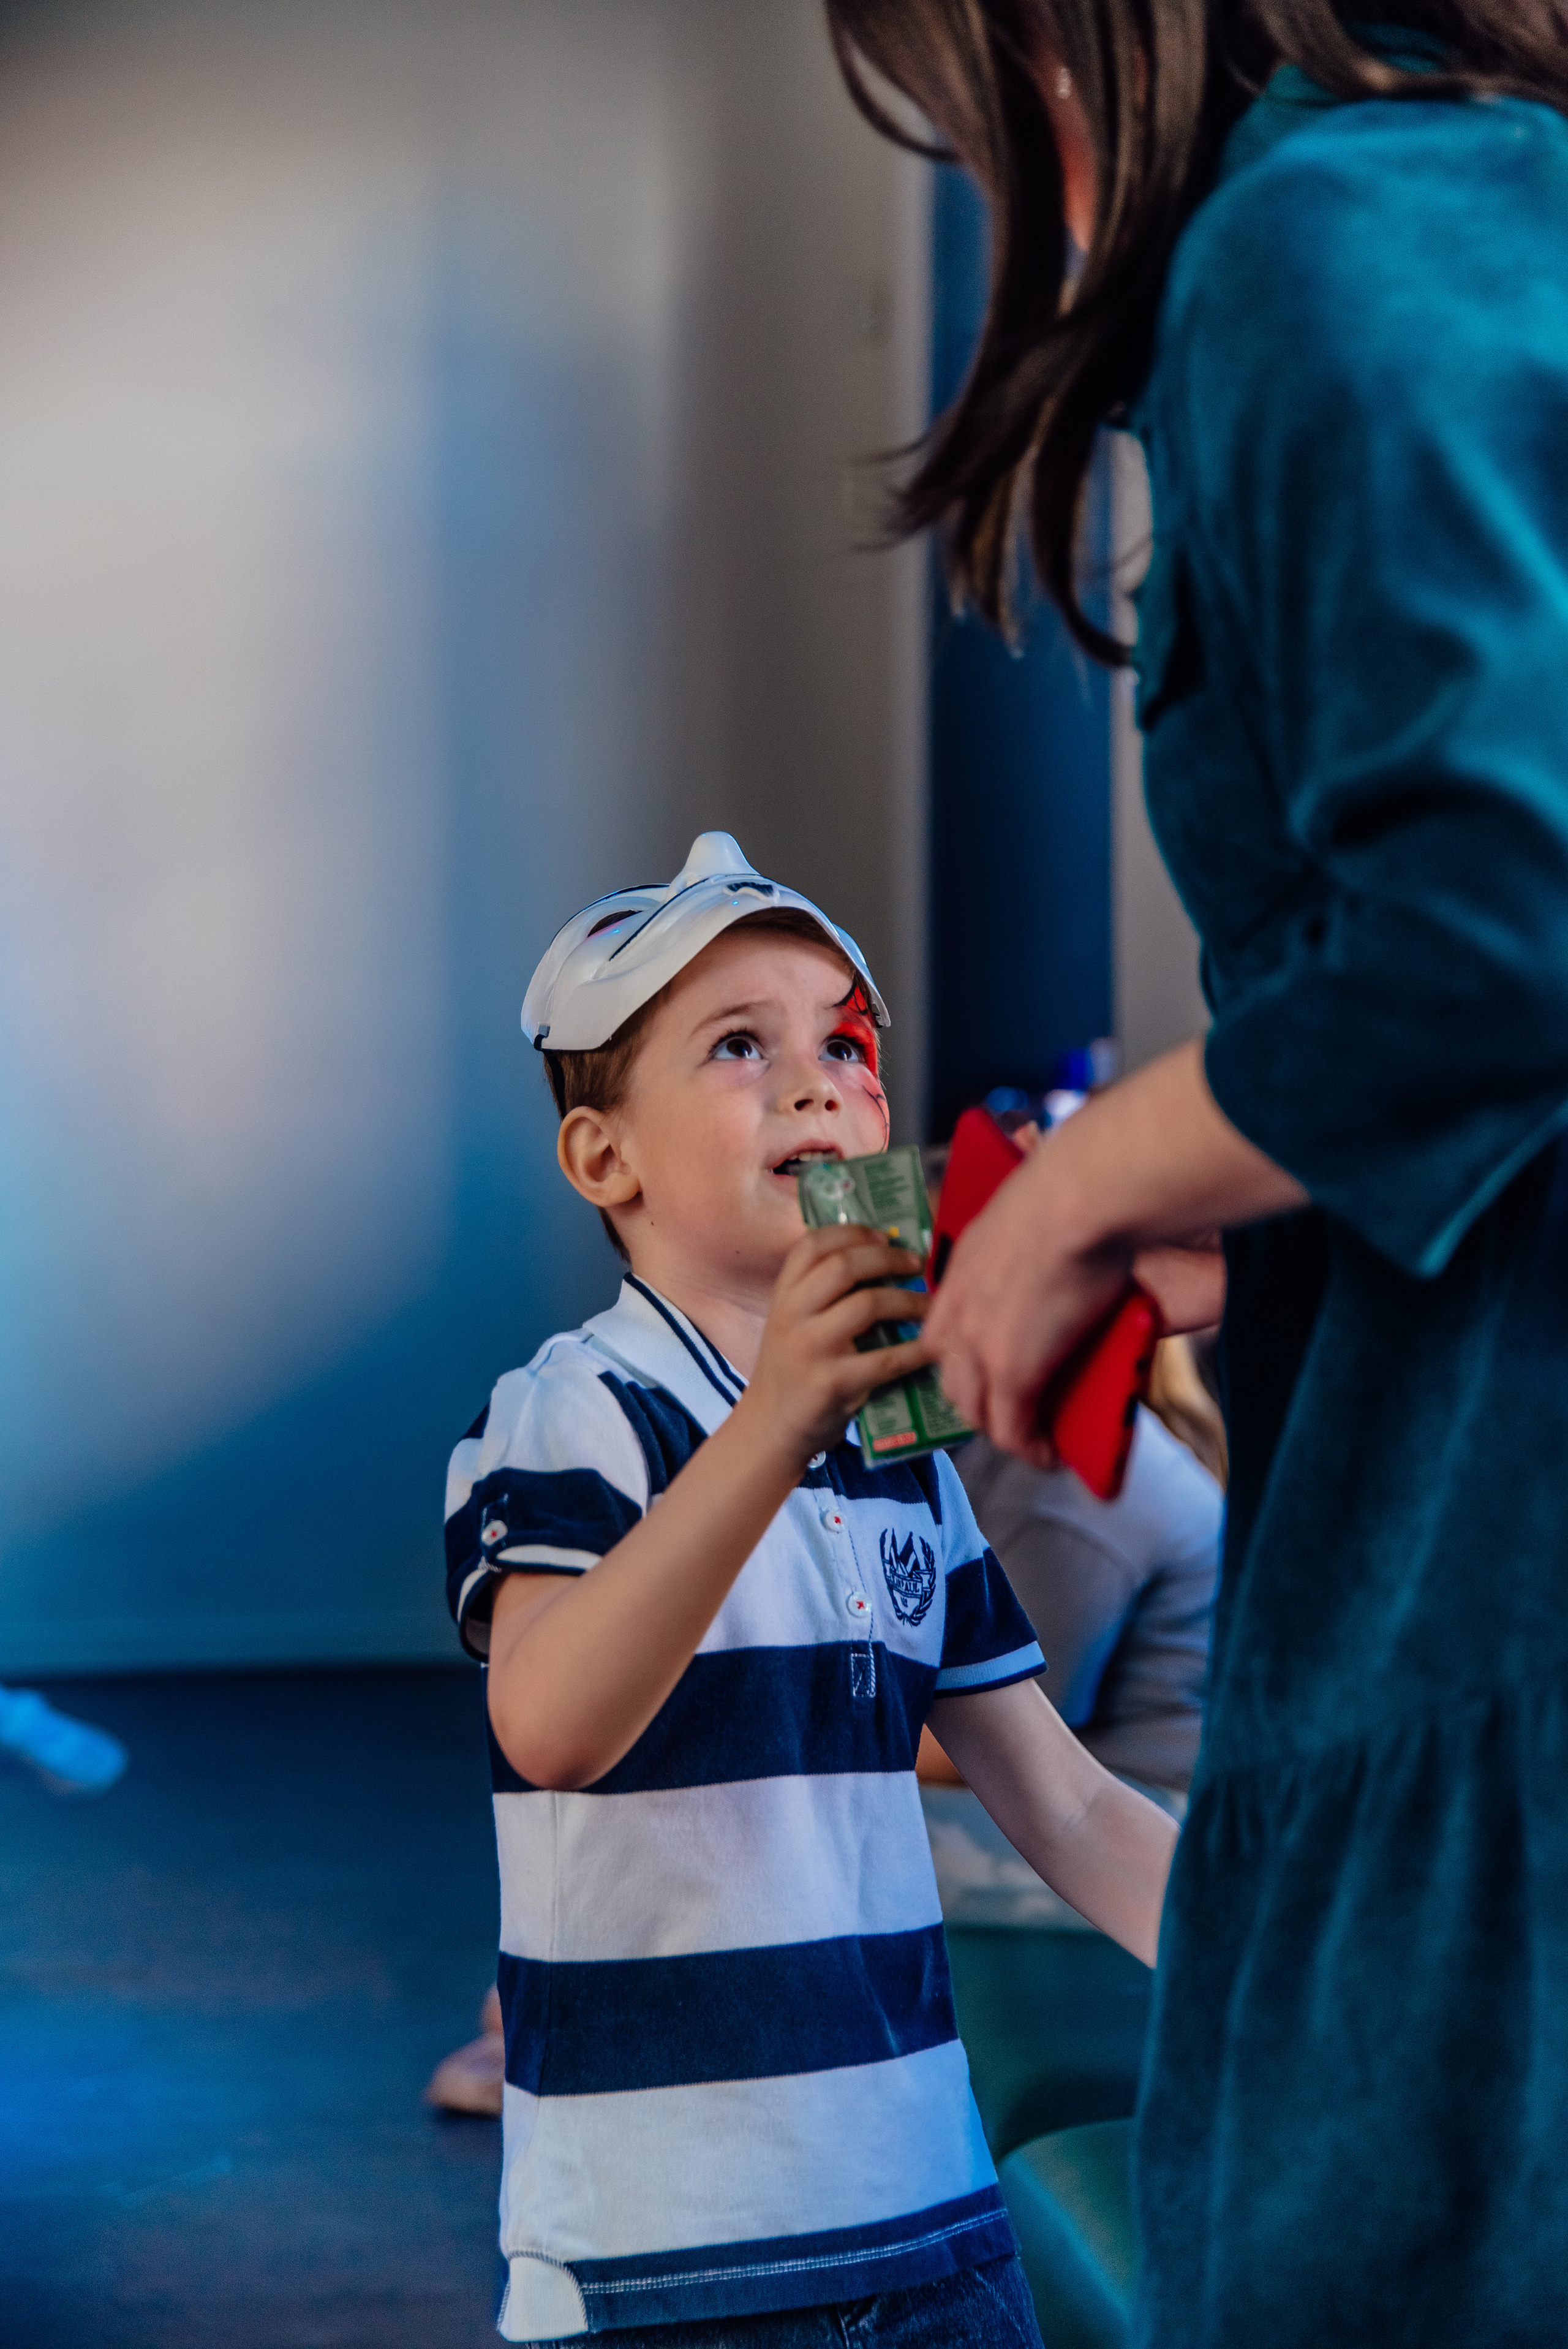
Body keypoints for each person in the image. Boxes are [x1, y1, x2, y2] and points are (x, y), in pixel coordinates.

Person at [826, 6, 1568, 2345]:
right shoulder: (1479, 203)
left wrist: (1079, 1177)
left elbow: (1504, 904)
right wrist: (1273, 1180)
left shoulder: (1323, 239)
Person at [443, 831, 1177, 2346]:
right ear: (604, 1159)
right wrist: (774, 1419)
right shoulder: (574, 1409)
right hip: (672, 2266)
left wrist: (1291, 1962)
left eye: (844, 1041)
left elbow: (1066, 1802)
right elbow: (551, 1721)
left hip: (931, 2221)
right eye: (737, 1045)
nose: (815, 1079)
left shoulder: (901, 1459)